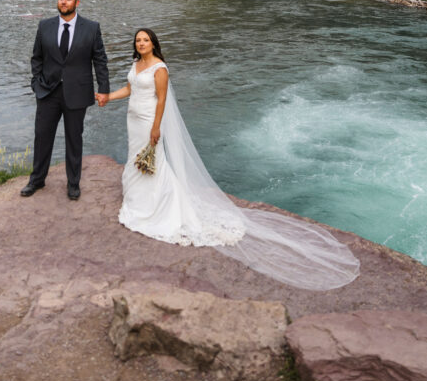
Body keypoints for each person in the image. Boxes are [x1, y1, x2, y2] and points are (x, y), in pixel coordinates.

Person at [97, 28, 359, 290]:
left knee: (153, 162)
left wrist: (156, 127)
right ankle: (138, 200)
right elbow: (131, 89)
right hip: (133, 119)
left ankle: (155, 206)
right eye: (138, 40)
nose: (141, 43)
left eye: (146, 40)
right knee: (136, 158)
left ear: (153, 44)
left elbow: (162, 99)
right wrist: (109, 97)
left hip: (148, 120)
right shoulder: (136, 63)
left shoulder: (159, 68)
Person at [22, 0, 110, 200]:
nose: (63, 2)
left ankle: (73, 184)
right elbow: (37, 58)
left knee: (74, 139)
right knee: (42, 137)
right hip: (48, 92)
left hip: (77, 93)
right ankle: (37, 180)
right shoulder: (45, 26)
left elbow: (99, 60)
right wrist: (36, 83)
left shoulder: (91, 28)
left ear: (77, 2)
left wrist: (104, 89)